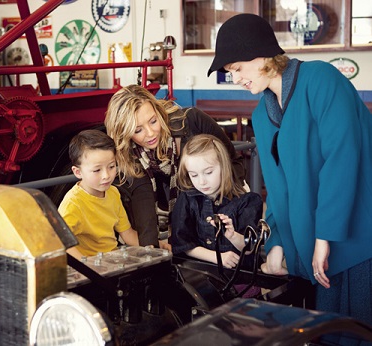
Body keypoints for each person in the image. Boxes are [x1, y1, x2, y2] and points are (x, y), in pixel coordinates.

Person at [208, 13, 372, 326]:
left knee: (360, 328)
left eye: (237, 68)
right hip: (315, 252)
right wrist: (277, 244)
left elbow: (341, 159)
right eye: (231, 73)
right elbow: (278, 188)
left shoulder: (321, 79)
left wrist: (324, 237)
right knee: (327, 331)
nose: (236, 79)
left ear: (261, 54)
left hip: (357, 238)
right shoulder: (261, 115)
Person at [104, 84, 246, 248]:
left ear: (158, 111)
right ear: (124, 133)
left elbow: (234, 163)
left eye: (153, 121)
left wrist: (217, 208)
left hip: (218, 219)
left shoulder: (192, 121)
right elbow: (145, 214)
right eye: (138, 130)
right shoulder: (130, 157)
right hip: (176, 237)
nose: (150, 133)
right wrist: (153, 253)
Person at [170, 134, 263, 269]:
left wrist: (233, 236)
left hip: (241, 277)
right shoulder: (186, 199)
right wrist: (217, 257)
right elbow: (181, 245)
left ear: (223, 166)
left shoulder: (248, 201)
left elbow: (249, 248)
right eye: (194, 175)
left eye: (208, 172)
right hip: (201, 277)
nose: (201, 181)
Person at [58, 129, 139, 259]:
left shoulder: (113, 192)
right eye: (97, 170)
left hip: (111, 261)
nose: (106, 176)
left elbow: (127, 233)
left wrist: (156, 246)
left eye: (111, 167)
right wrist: (87, 267)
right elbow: (61, 243)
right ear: (78, 172)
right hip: (89, 269)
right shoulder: (72, 204)